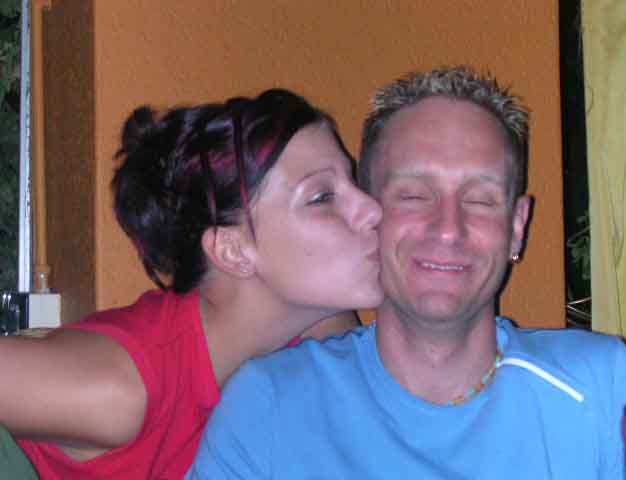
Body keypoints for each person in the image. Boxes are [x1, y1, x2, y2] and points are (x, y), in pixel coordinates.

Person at [188, 66, 626, 479]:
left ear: (516, 228)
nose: (448, 228)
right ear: (369, 215)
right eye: (413, 195)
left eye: (480, 199)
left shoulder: (602, 389)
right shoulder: (269, 407)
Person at [0, 88, 383, 479]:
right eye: (322, 197)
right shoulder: (120, 389)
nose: (373, 209)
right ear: (232, 250)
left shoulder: (322, 336)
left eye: (353, 181)